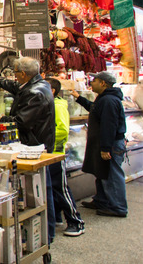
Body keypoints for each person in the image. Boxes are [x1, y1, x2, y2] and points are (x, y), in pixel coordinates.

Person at [0, 57, 56, 244]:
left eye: (15, 73)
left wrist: (4, 119)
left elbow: (22, 121)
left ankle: (47, 232)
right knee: (41, 188)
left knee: (41, 190)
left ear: (23, 74)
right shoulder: (37, 85)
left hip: (34, 145)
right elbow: (16, 88)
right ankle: (46, 230)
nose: (14, 77)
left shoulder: (34, 93)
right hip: (37, 142)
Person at [71, 71, 128, 217]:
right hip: (107, 143)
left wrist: (105, 148)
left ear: (103, 83)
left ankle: (118, 207)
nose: (92, 82)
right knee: (102, 172)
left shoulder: (108, 100)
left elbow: (109, 125)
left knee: (112, 175)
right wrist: (78, 98)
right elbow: (94, 109)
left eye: (94, 80)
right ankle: (102, 200)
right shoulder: (104, 99)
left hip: (112, 144)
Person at [46, 77, 85, 237]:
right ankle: (56, 218)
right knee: (54, 188)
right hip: (48, 153)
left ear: (52, 91)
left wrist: (47, 143)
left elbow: (62, 130)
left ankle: (76, 222)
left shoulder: (57, 106)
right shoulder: (50, 105)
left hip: (55, 153)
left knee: (61, 189)